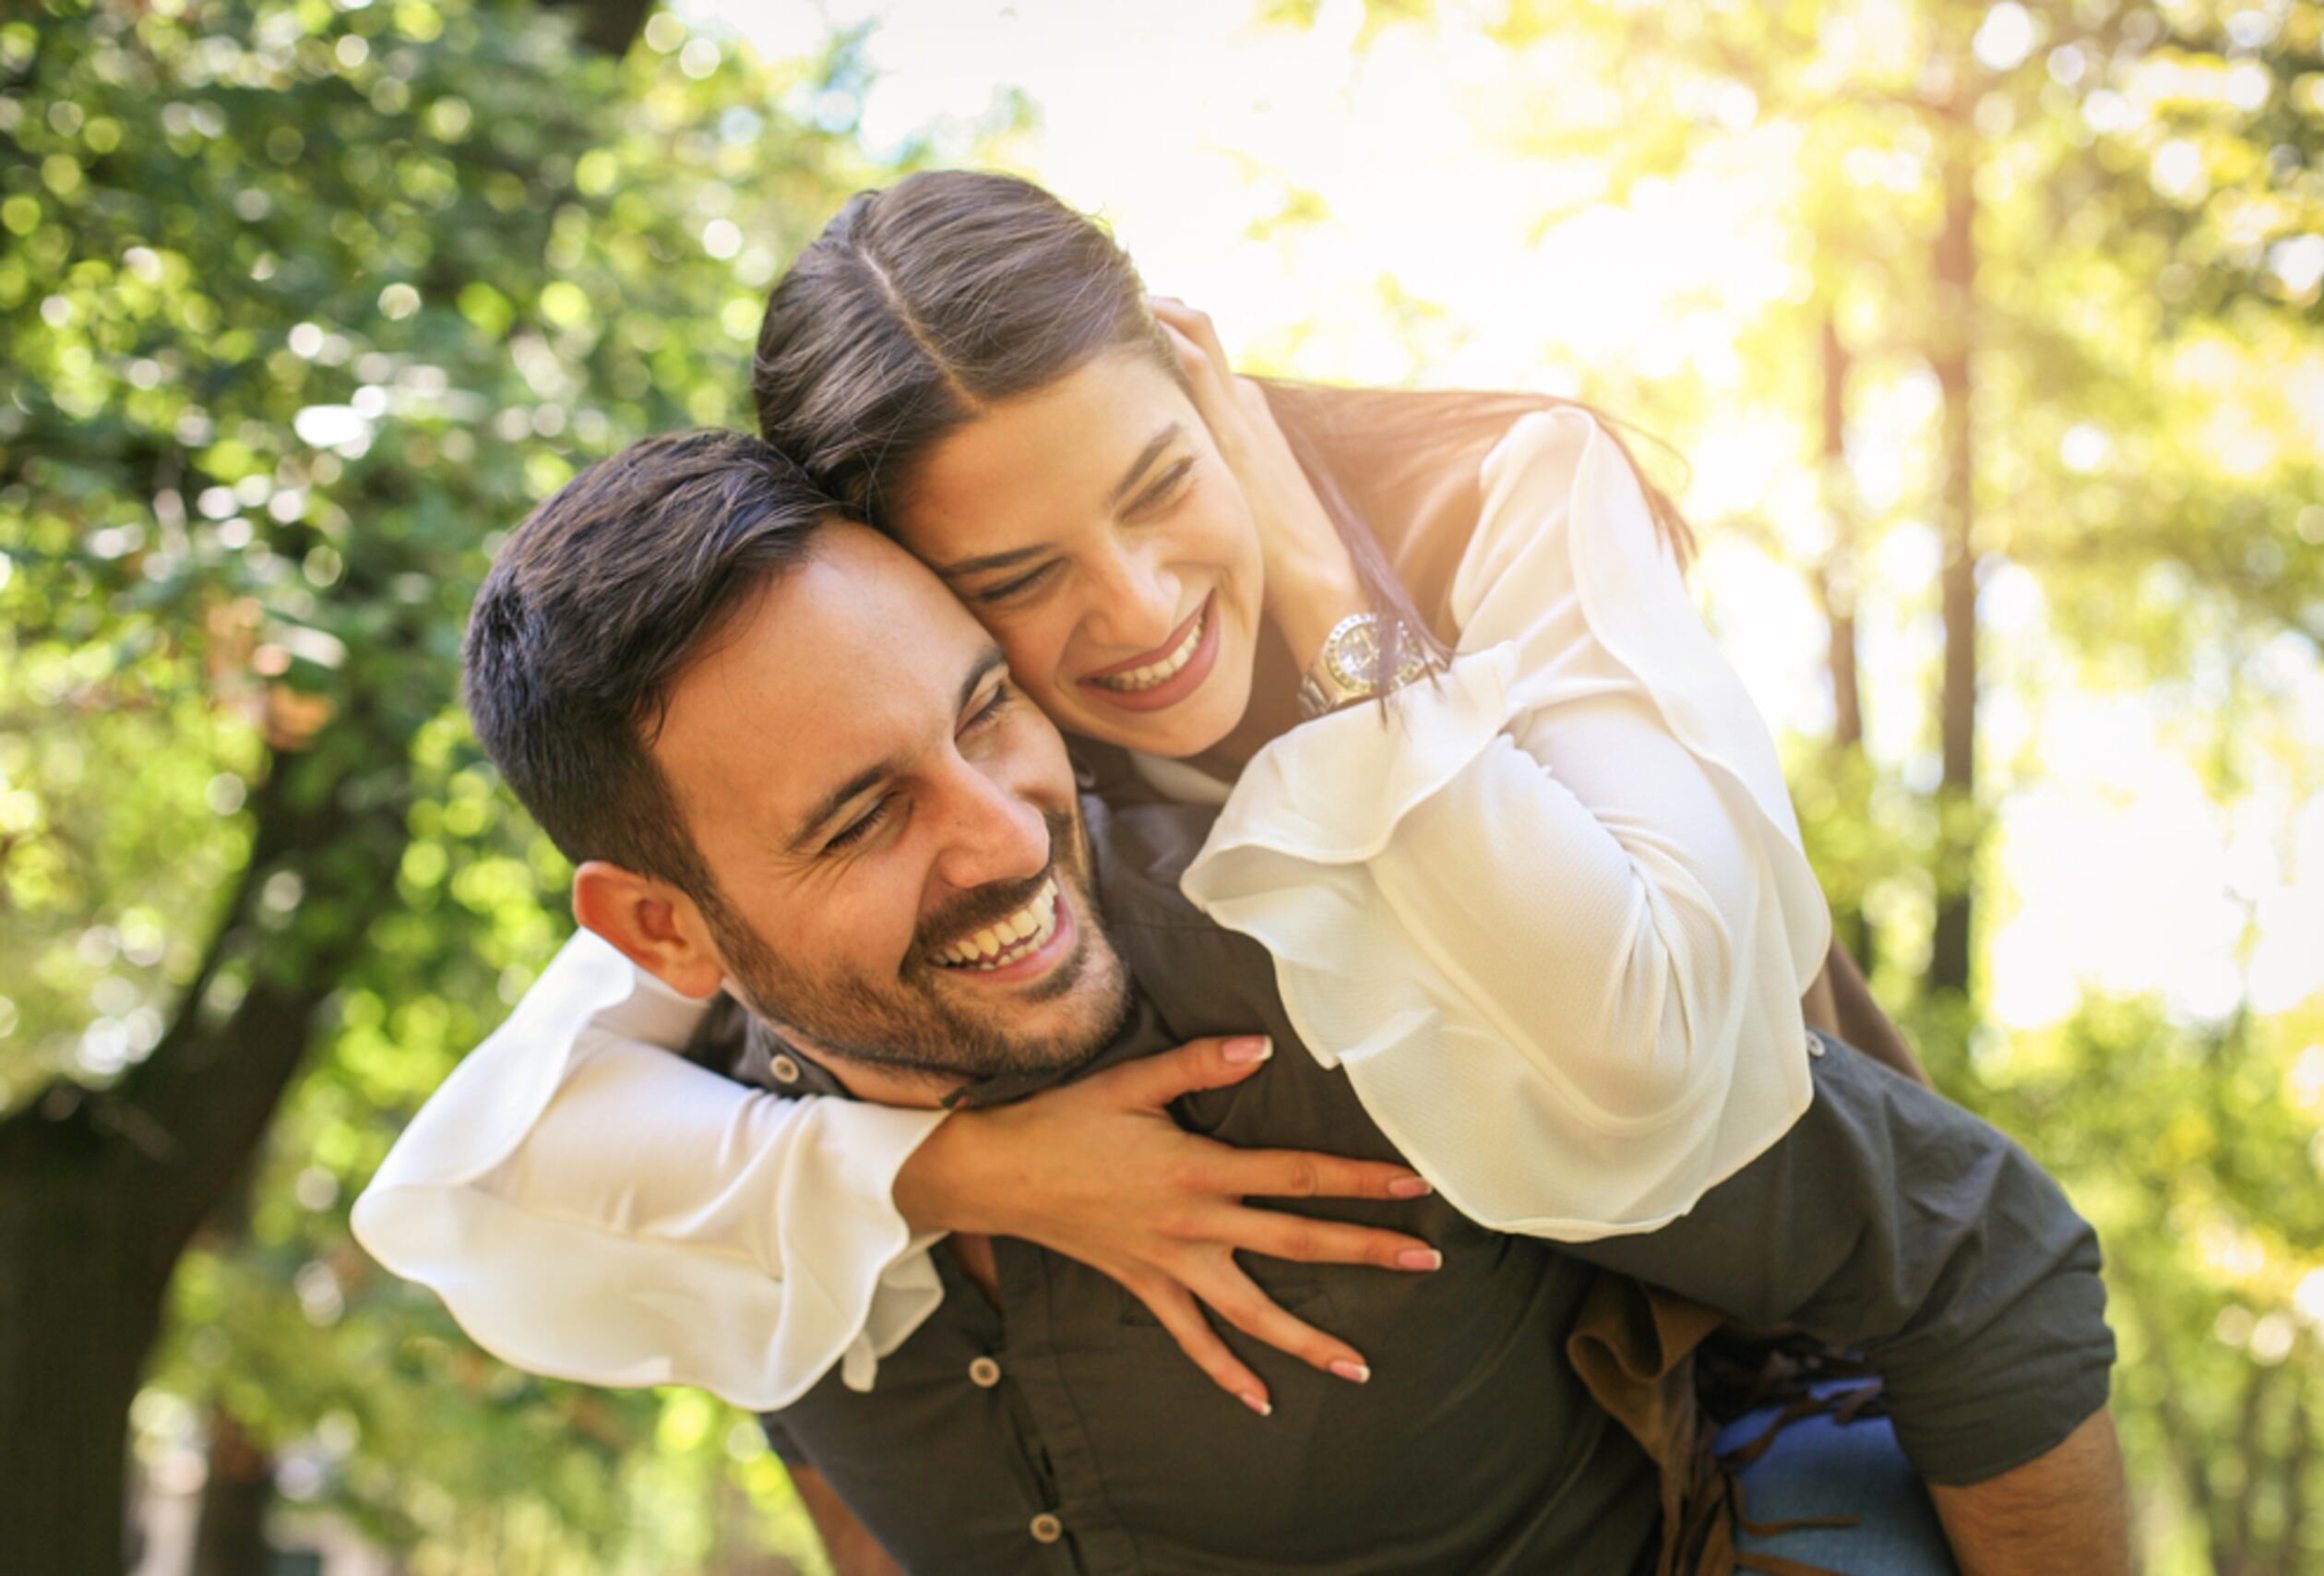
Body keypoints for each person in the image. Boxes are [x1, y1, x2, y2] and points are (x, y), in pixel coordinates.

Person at [364, 428, 2125, 1575]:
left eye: (987, 711)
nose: (1005, 835)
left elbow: (1977, 1259)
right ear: (665, 932)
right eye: (860, 814)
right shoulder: (679, 1187)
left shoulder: (1348, 954)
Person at [355, 170, 1926, 1418]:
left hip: (1864, 1325)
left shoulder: (1499, 497)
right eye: (1014, 576)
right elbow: (489, 1156)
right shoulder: (953, 744)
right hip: (1578, 1400)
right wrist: (959, 1173)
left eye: (1167, 484)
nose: (1136, 613)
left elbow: (1642, 1044)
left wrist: (1326, 593)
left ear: (1207, 388)